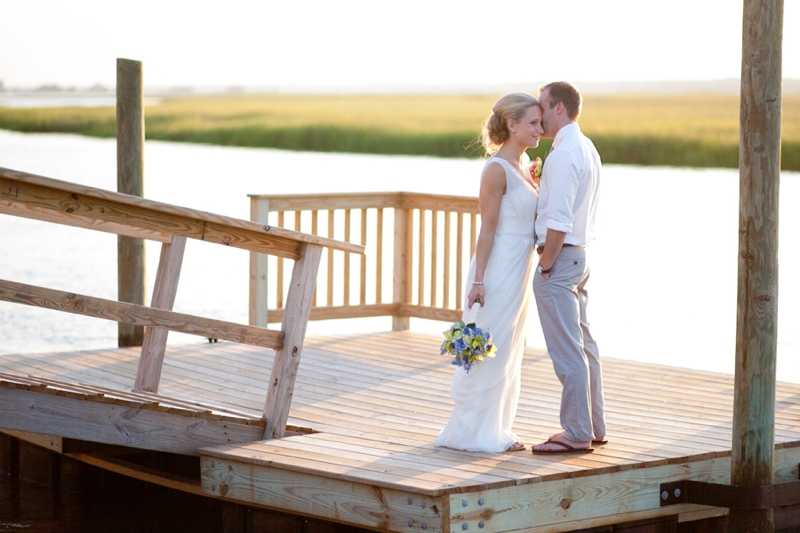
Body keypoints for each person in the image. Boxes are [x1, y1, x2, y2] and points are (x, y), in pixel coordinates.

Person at [434, 92, 542, 453]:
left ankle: (497, 428)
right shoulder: (496, 169)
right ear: (512, 125)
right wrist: (478, 280)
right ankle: (472, 433)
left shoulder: (524, 165)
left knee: (511, 347)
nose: (540, 129)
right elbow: (488, 229)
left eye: (541, 122)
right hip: (498, 268)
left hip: (520, 267)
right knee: (492, 343)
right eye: (533, 123)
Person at [530, 82, 606, 454]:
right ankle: (594, 426)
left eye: (541, 107)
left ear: (558, 108)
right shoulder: (585, 146)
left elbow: (558, 221)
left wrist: (545, 265)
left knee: (568, 350)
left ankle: (575, 433)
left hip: (561, 260)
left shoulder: (562, 155)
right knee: (584, 344)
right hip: (581, 257)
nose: (537, 114)